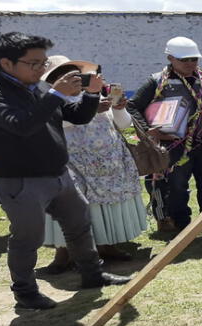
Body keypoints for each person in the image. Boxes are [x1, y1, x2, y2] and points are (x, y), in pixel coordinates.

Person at [0, 32, 130, 310]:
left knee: (79, 224)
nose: (42, 70)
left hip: (58, 174)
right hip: (20, 179)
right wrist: (54, 93)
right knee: (28, 237)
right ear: (6, 63)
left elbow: (77, 115)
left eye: (43, 63)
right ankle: (25, 292)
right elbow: (21, 125)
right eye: (35, 63)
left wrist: (90, 94)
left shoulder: (35, 87)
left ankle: (92, 274)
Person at [40, 55, 147, 273]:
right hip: (72, 162)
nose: (69, 78)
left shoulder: (97, 93)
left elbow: (123, 124)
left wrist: (118, 108)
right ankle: (63, 253)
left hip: (107, 162)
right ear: (51, 79)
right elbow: (56, 121)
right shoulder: (49, 100)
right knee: (69, 205)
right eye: (60, 74)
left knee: (102, 205)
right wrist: (90, 108)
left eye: (72, 73)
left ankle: (106, 245)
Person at [127, 37, 202, 233]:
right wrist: (148, 131)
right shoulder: (158, 80)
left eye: (194, 59)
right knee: (177, 184)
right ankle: (181, 222)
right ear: (170, 58)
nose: (190, 63)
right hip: (174, 144)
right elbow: (133, 106)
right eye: (185, 60)